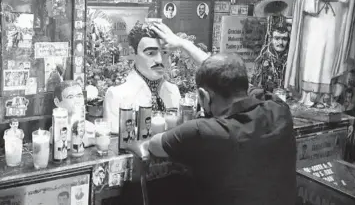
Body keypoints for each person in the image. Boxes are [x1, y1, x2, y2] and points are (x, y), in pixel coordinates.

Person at [126, 53, 296, 205]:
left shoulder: (205, 131)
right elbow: (235, 80)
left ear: (203, 96)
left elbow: (155, 144)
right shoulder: (279, 109)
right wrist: (183, 44)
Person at [103, 23, 181, 133]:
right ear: (132, 52)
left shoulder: (173, 91)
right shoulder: (116, 95)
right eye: (150, 53)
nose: (159, 60)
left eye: (164, 52)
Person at [251, 16, 290, 94]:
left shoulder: (292, 59)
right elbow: (255, 86)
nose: (280, 43)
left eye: (284, 39)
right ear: (271, 39)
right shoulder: (262, 59)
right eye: (277, 38)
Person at [50, 81, 95, 147]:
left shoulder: (91, 127)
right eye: (70, 97)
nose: (77, 100)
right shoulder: (55, 131)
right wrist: (88, 141)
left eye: (79, 96)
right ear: (57, 102)